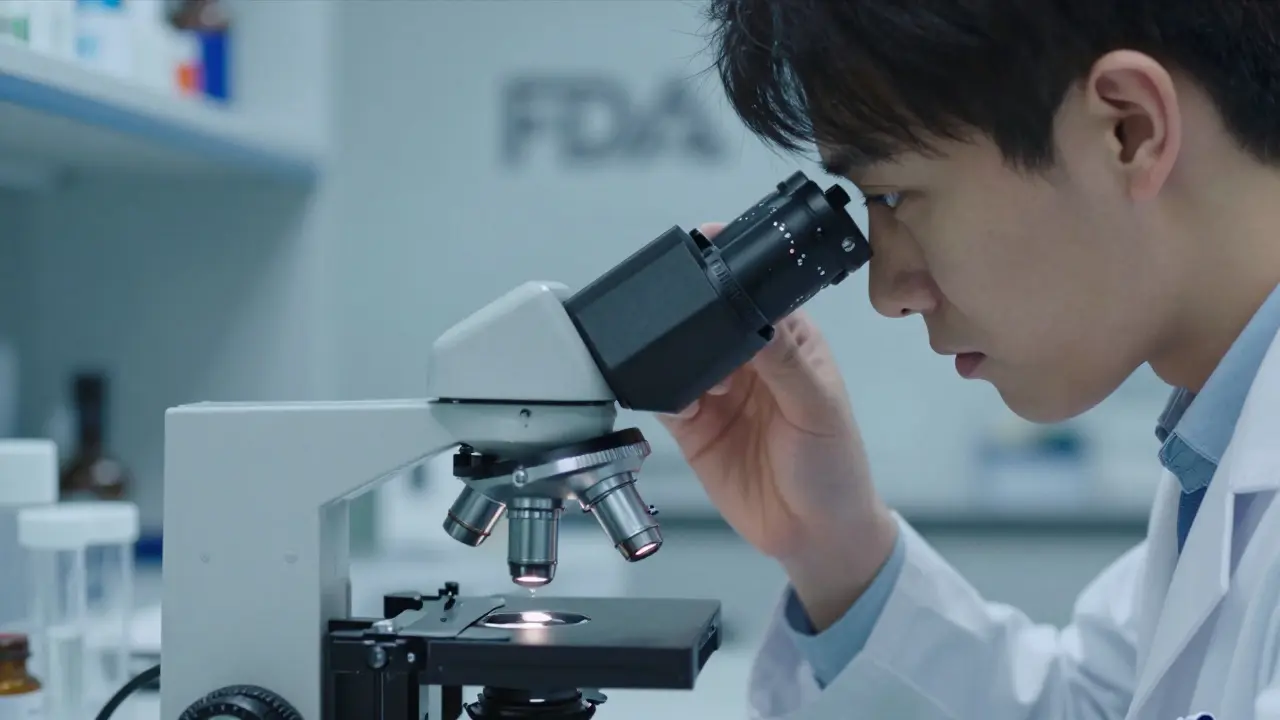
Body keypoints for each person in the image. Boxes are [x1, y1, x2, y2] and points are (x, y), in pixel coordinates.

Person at [659, 2, 1280, 718]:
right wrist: (834, 543)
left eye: (894, 195)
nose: (888, 293)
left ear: (1128, 129)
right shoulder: (1220, 446)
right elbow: (1088, 708)